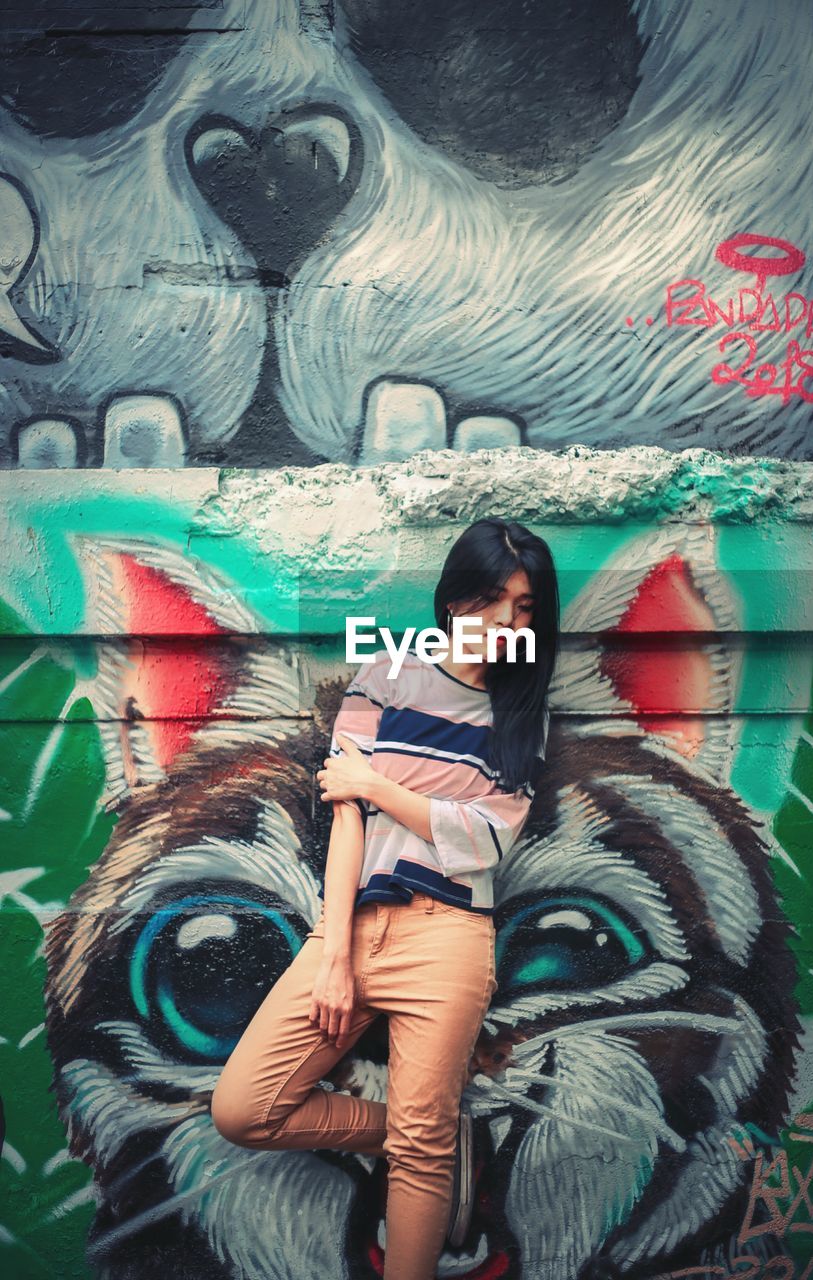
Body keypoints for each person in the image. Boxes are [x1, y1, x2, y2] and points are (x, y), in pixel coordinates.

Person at [210, 517, 559, 1279]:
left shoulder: (521, 717)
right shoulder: (385, 675)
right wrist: (333, 955)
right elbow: (345, 821)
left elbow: (482, 842)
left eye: (525, 607)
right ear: (454, 598)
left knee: (420, 1154)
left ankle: (425, 1141)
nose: (505, 621)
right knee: (244, 1108)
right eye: (491, 598)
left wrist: (377, 785)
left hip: (451, 939)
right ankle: (421, 1134)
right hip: (353, 928)